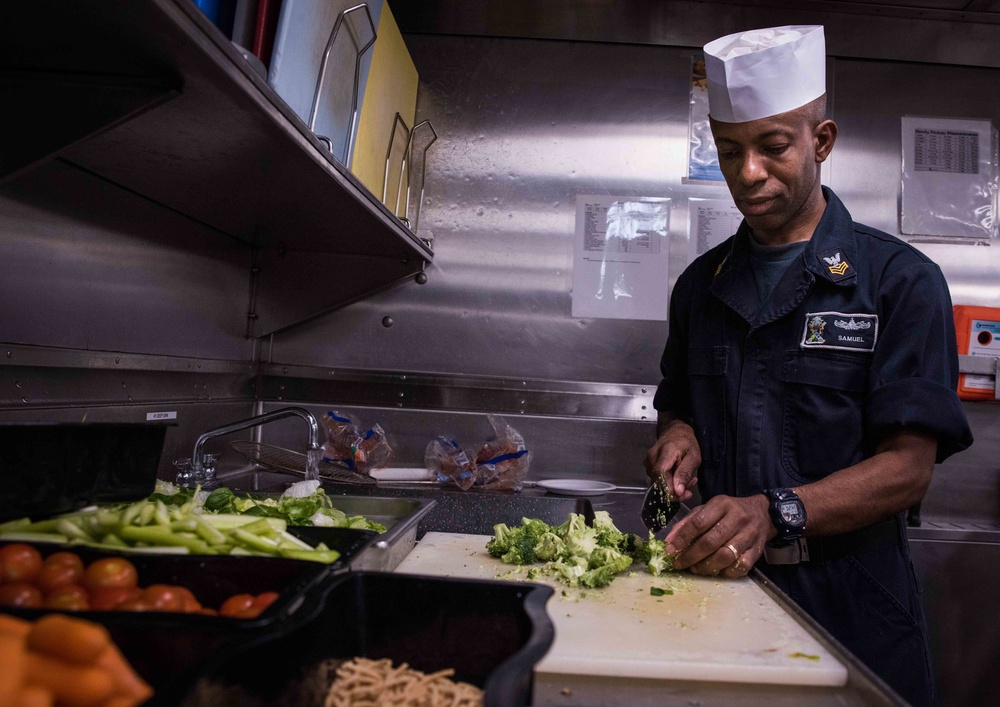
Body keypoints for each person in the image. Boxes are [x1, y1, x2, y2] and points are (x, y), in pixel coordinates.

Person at [645, 25, 973, 707]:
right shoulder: (700, 287)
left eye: (772, 147)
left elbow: (908, 469)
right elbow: (678, 402)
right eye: (730, 151)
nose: (748, 173)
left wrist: (777, 510)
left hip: (852, 605)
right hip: (719, 599)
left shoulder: (900, 282)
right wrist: (679, 436)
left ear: (821, 141)